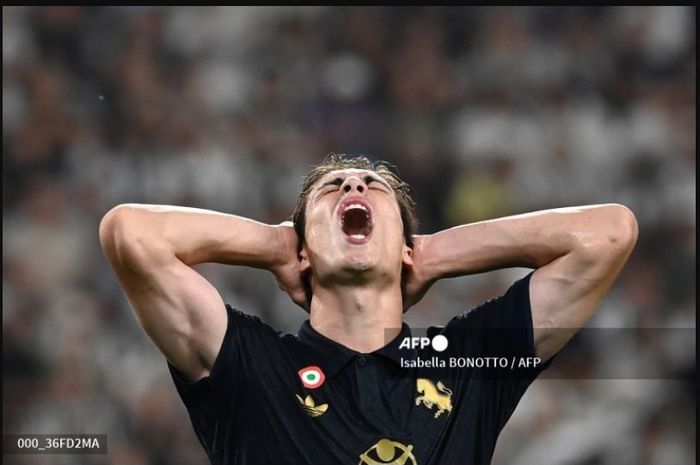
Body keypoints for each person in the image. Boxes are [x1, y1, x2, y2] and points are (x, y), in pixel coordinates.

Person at [99, 154, 638, 465]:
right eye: (331, 189)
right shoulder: (249, 367)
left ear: (406, 244)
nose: (353, 184)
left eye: (371, 186)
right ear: (303, 251)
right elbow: (131, 234)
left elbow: (608, 235)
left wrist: (434, 254)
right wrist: (272, 246)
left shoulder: (468, 363)